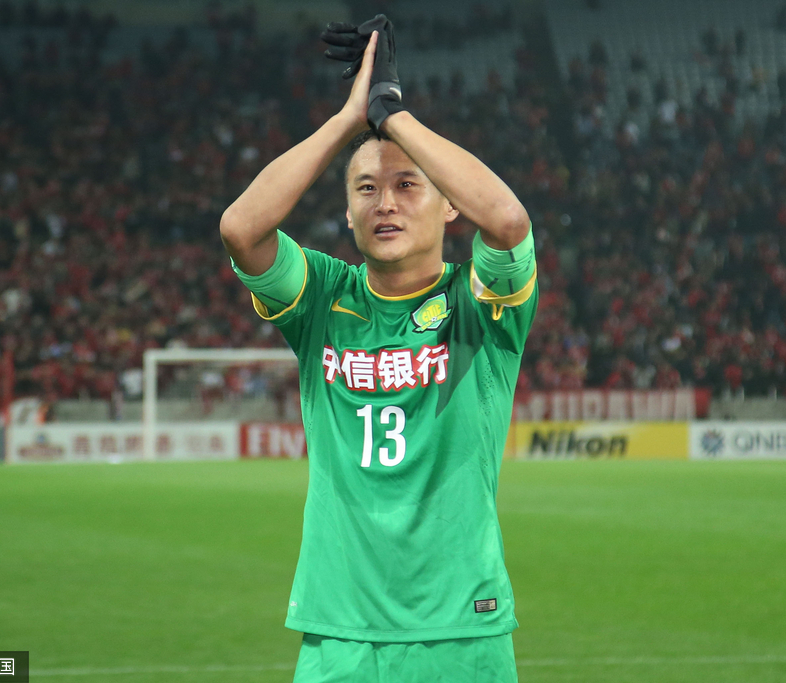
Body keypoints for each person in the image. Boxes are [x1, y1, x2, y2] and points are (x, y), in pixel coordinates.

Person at [219, 16, 536, 683]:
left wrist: (393, 116)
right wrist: (347, 121)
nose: (384, 203)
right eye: (366, 189)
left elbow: (508, 221)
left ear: (450, 206)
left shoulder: (478, 306)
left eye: (407, 185)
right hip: (341, 631)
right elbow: (241, 228)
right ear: (347, 211)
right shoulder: (322, 299)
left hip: (460, 629)